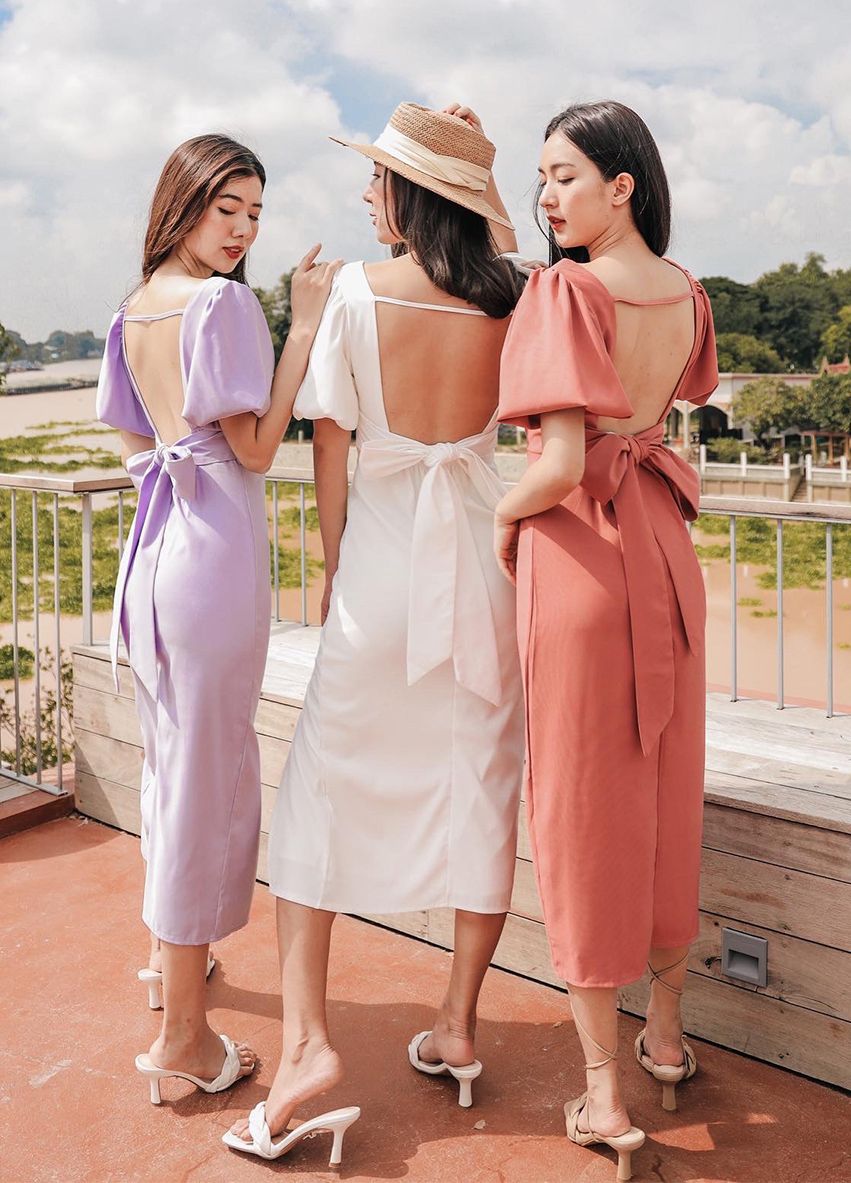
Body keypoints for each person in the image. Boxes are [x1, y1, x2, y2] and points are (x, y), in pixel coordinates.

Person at [225, 102, 525, 1164]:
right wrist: (479, 174)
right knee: (479, 783)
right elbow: (530, 394)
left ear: (411, 193)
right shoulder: (514, 296)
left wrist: (336, 564)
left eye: (378, 177)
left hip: (383, 573)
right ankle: (456, 1024)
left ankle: (308, 1044)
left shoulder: (355, 291)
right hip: (483, 570)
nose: (365, 193)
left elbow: (330, 445)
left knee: (320, 787)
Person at [495, 101, 718, 1182]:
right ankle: (664, 1040)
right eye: (540, 178)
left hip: (583, 550)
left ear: (620, 183)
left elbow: (555, 463)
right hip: (664, 548)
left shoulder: (566, 291)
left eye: (564, 175)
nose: (548, 196)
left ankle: (601, 1091)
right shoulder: (684, 292)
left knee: (582, 811)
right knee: (668, 794)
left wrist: (503, 517)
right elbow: (665, 408)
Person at [96, 133, 340, 1105]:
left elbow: (131, 440)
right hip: (212, 557)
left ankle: (173, 972)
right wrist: (303, 330)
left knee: (173, 766)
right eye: (225, 207)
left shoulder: (134, 307)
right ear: (184, 203)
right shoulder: (223, 304)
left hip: (155, 552)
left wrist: (177, 466)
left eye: (254, 213)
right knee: (208, 776)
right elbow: (257, 448)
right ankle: (183, 1041)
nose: (241, 229)